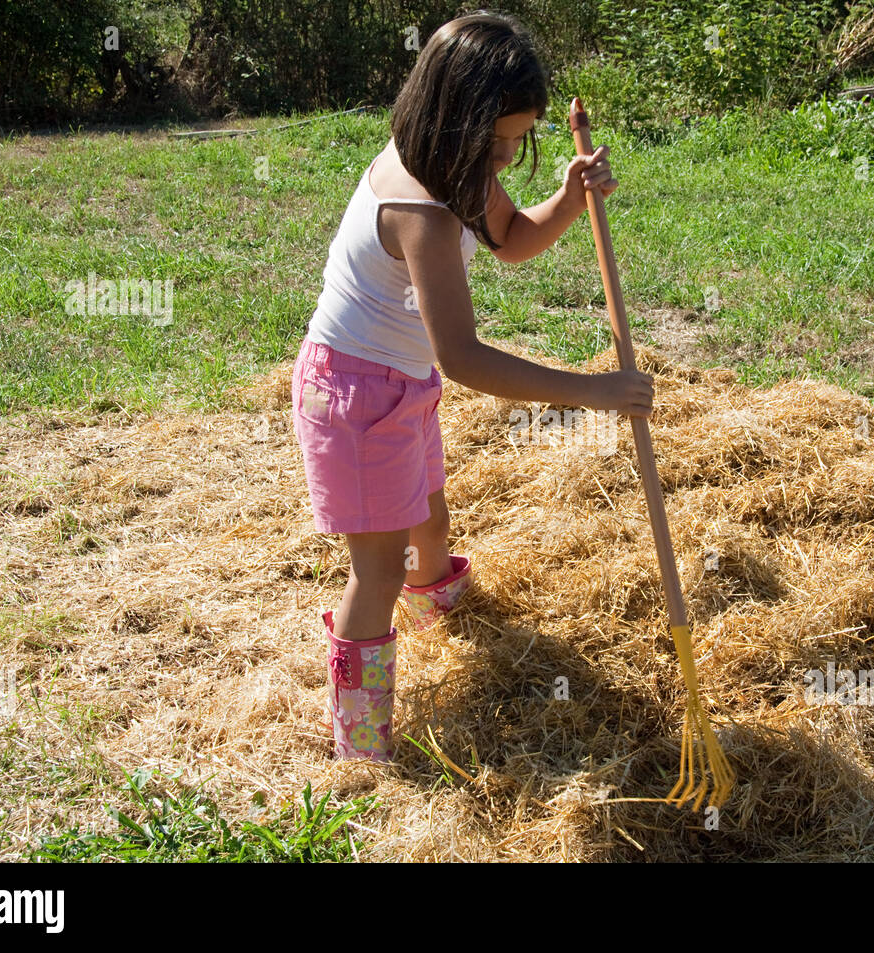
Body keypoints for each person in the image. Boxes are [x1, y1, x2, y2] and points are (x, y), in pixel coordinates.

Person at [290, 10, 653, 762]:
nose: (508, 154)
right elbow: (463, 355)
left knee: (432, 524)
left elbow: (514, 239)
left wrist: (570, 197)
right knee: (379, 568)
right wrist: (594, 390)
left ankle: (441, 639)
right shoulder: (419, 203)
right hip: (355, 397)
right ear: (457, 117)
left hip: (401, 384)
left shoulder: (457, 164)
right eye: (500, 141)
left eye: (519, 139)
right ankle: (361, 743)